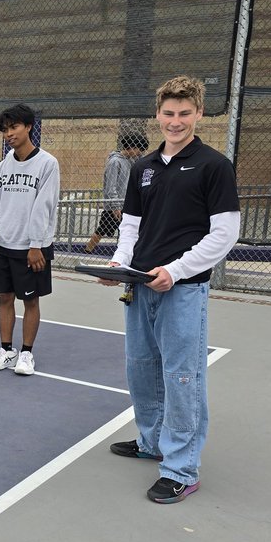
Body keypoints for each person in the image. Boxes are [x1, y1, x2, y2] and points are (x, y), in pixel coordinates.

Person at [101, 76, 241, 504]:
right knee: (141, 368)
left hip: (183, 289)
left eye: (184, 114)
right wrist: (120, 264)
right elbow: (131, 226)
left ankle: (181, 467)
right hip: (141, 285)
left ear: (198, 114)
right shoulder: (143, 167)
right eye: (168, 113)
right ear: (158, 115)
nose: (175, 121)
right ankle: (152, 441)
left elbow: (225, 234)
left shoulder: (213, 165)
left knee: (182, 375)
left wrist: (176, 271)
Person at [0, 103, 60, 377]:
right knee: (4, 298)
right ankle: (6, 350)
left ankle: (26, 353)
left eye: (14, 127)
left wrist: (36, 244)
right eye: (5, 129)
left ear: (28, 127)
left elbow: (44, 206)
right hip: (5, 246)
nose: (9, 133)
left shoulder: (47, 164)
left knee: (31, 300)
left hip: (33, 249)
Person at [86, 129, 150, 253]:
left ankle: (123, 254)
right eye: (139, 149)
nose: (140, 153)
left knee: (125, 232)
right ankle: (87, 251)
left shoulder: (130, 161)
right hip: (114, 206)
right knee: (102, 230)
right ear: (131, 147)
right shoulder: (115, 162)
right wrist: (116, 206)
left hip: (126, 204)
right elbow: (111, 186)